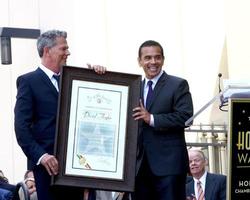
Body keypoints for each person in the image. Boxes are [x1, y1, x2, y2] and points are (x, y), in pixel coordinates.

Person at [14, 30, 106, 200]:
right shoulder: (28, 81)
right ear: (47, 51)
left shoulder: (74, 79)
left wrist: (97, 76)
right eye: (63, 49)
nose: (68, 53)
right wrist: (41, 156)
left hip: (76, 165)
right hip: (47, 168)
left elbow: (95, 104)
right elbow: (21, 128)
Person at [132, 40, 193, 200]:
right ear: (140, 61)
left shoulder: (177, 84)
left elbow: (185, 117)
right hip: (139, 168)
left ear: (163, 60)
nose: (153, 62)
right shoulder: (134, 87)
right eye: (148, 58)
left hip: (169, 167)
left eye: (157, 57)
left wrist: (151, 118)